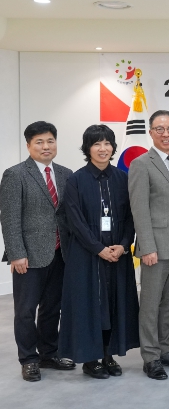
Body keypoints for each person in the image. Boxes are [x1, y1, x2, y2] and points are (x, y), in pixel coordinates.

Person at [59, 125, 139, 379]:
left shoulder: (122, 178)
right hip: (86, 255)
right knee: (90, 305)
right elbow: (75, 221)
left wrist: (123, 245)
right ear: (87, 148)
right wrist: (99, 248)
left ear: (113, 147)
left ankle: (108, 354)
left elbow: (131, 217)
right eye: (96, 144)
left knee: (113, 303)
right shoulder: (76, 180)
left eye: (107, 143)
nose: (103, 149)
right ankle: (90, 359)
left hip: (117, 254)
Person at [0, 121, 76, 382]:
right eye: (39, 142)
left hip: (60, 253)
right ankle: (29, 359)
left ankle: (48, 353)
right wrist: (16, 253)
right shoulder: (15, 174)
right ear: (28, 146)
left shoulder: (66, 174)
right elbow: (9, 218)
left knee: (52, 308)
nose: (46, 146)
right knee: (25, 311)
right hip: (29, 256)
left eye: (50, 141)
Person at [129, 110, 169, 380]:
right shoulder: (141, 164)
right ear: (151, 132)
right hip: (155, 247)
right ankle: (150, 357)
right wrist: (147, 247)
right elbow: (139, 209)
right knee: (151, 303)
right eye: (160, 129)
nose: (166, 134)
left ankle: (166, 349)